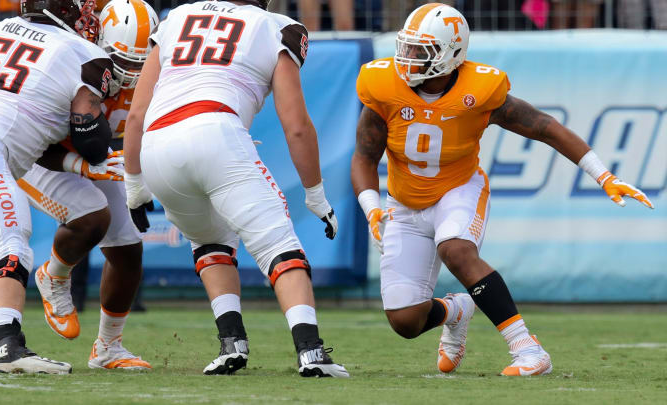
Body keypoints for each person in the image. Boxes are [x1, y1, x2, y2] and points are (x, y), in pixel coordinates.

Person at [351, 3, 653, 377]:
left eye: (420, 51)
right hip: (403, 200)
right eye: (405, 47)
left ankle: (528, 349)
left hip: (457, 189)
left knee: (455, 249)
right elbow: (364, 157)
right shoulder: (382, 86)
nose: (407, 59)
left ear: (452, 54)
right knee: (406, 321)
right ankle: (457, 309)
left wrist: (603, 175)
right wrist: (371, 207)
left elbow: (544, 127)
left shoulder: (479, 91)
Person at [123, 0, 348, 378]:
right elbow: (296, 126)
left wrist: (134, 186)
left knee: (210, 241)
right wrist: (316, 194)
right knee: (278, 243)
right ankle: (310, 351)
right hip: (216, 132)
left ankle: (232, 344)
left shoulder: (177, 17)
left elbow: (135, 115)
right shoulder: (275, 26)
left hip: (156, 146)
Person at [0, 0, 115, 373]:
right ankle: (8, 346)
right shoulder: (83, 53)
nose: (89, 16)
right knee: (11, 246)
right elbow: (92, 142)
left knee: (9, 243)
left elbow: (32, 123)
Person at [17, 0, 158, 370]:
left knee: (128, 251)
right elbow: (37, 143)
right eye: (123, 61)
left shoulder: (159, 74)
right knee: (94, 218)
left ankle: (108, 347)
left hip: (94, 156)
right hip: (39, 157)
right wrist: (81, 163)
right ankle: (54, 275)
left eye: (141, 62)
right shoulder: (76, 65)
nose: (131, 73)